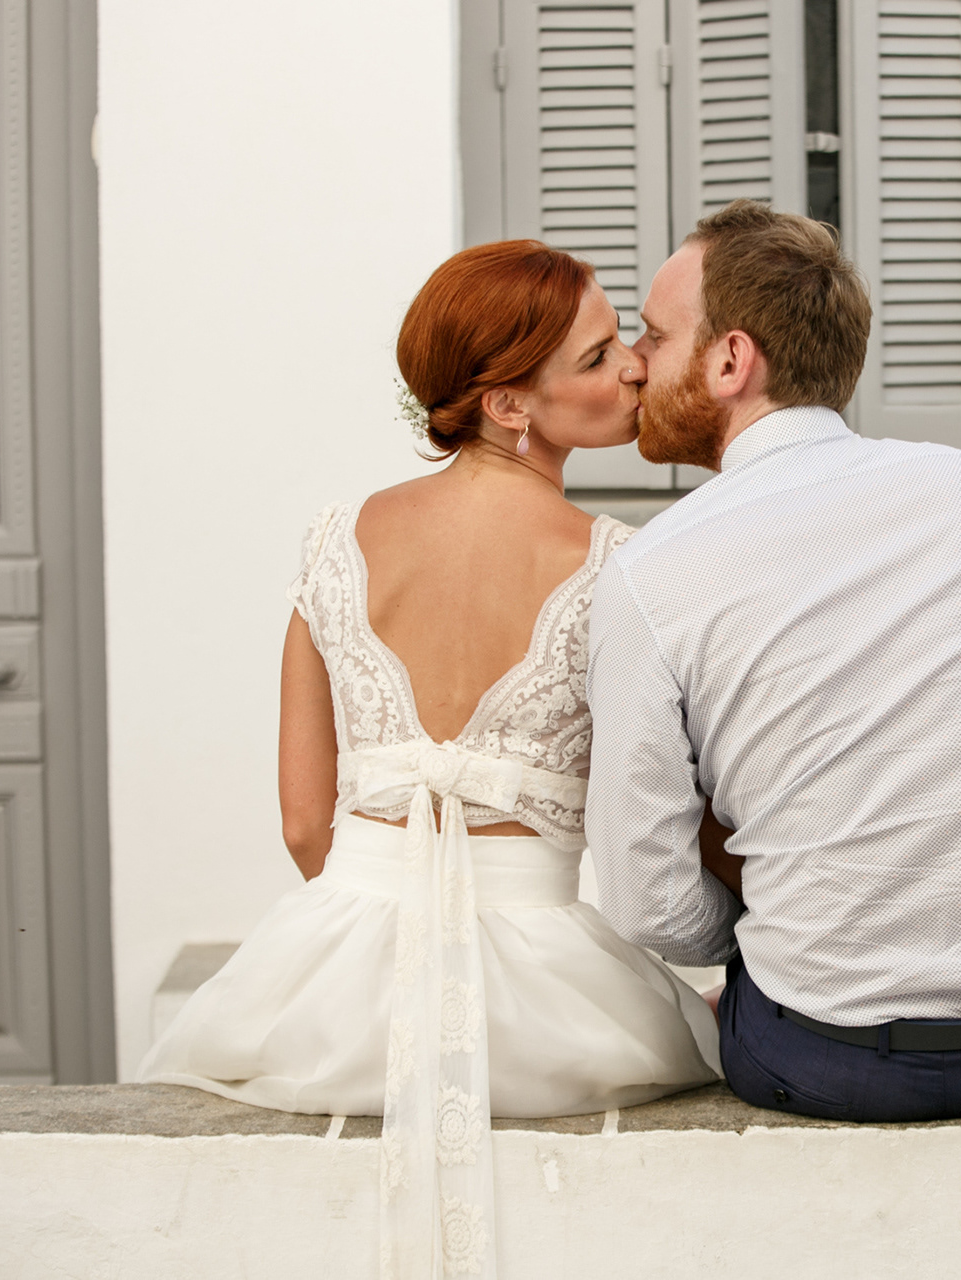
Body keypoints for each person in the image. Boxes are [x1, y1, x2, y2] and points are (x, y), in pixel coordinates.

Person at [140, 241, 719, 1276]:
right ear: (508, 404)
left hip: (328, 989)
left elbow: (305, 825)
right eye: (597, 359)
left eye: (624, 337)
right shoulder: (621, 569)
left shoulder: (338, 541)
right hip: (549, 999)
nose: (635, 365)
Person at [585, 201, 961, 1123]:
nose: (635, 361)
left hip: (821, 1062)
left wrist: (798, 919)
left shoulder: (646, 576)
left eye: (653, 333)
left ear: (732, 361)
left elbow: (647, 905)